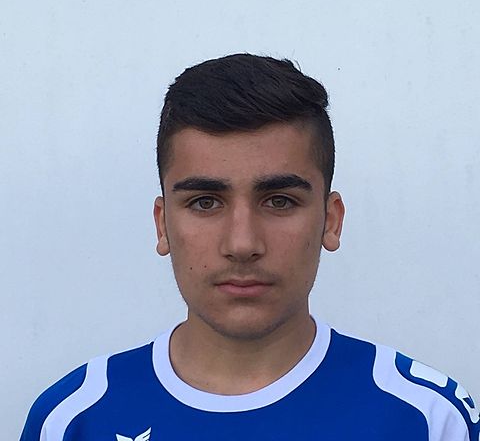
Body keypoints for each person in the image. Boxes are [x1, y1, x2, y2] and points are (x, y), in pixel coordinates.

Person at [21, 54, 479, 440]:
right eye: (205, 202)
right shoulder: (73, 420)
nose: (242, 244)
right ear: (162, 225)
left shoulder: (427, 419)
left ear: (331, 220)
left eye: (279, 201)